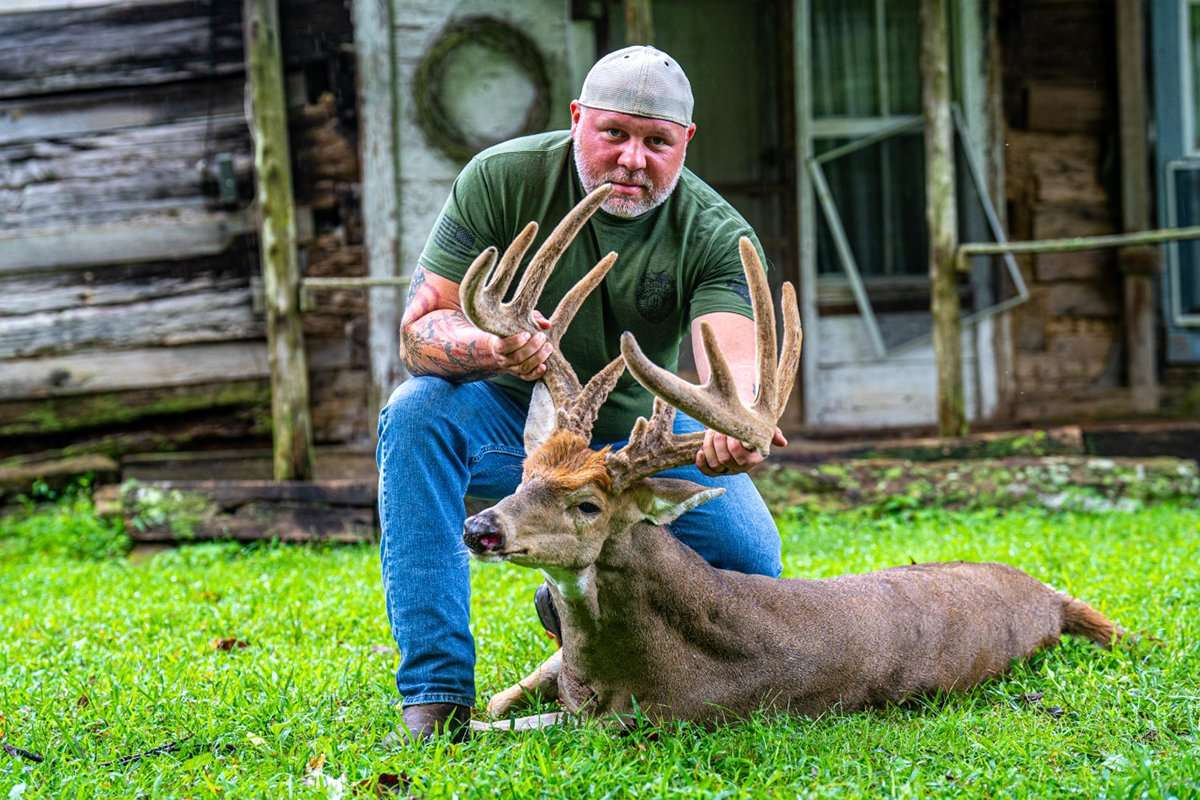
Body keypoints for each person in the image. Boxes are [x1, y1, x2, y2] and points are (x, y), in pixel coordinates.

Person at [377, 45, 788, 742]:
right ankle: (436, 694)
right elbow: (420, 332)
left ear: (687, 141)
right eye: (613, 134)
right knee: (415, 413)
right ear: (576, 119)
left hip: (631, 449)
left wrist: (736, 422)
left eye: (657, 143)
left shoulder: (715, 233)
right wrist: (492, 346)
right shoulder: (502, 179)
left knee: (752, 563)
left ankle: (583, 626)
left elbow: (737, 358)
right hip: (512, 424)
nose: (632, 159)